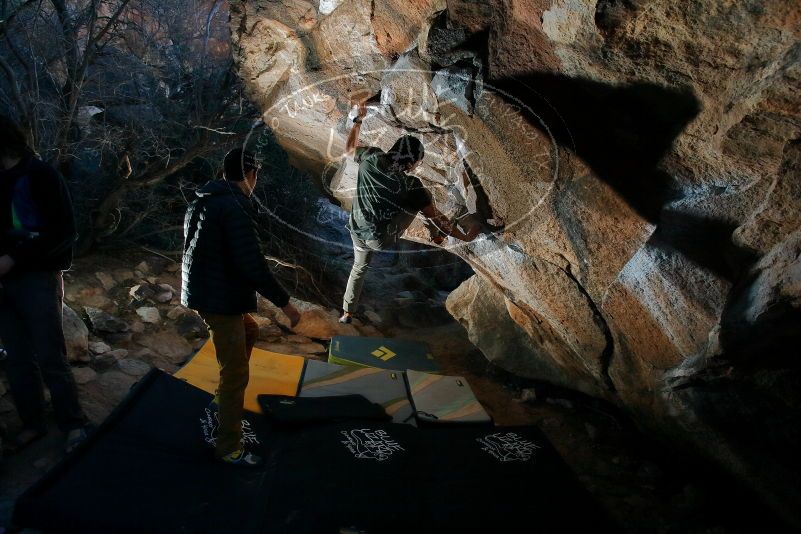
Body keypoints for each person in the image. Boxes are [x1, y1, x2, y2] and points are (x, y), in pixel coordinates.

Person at [182, 148, 300, 467]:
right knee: (235, 373)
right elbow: (252, 264)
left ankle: (222, 401)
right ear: (252, 175)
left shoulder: (203, 199)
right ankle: (229, 448)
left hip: (201, 291)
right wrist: (285, 304)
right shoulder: (234, 207)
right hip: (216, 298)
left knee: (249, 328)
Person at [339, 104, 480, 324]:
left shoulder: (371, 157)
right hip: (380, 240)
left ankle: (347, 312)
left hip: (356, 230)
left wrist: (357, 121)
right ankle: (435, 236)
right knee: (423, 203)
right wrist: (465, 237)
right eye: (417, 162)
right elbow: (438, 219)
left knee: (359, 268)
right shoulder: (411, 183)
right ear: (412, 162)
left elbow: (349, 150)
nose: (416, 166)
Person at [0, 115, 90, 454]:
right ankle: (33, 424)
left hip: (36, 278)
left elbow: (64, 231)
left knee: (51, 354)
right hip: (5, 284)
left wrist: (14, 259)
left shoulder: (41, 174)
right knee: (17, 358)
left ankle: (74, 423)